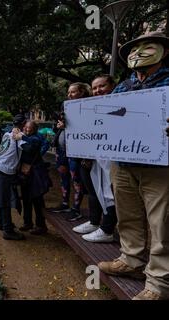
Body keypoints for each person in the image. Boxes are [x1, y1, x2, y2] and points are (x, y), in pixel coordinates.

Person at [98, 31, 169, 300]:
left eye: (146, 46)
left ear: (164, 51)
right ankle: (131, 259)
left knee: (161, 222)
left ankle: (159, 283)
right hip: (123, 162)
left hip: (159, 167)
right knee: (127, 214)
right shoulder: (124, 85)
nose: (138, 52)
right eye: (133, 48)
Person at [73, 75, 118, 243]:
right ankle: (94, 222)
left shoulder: (121, 105)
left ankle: (107, 229)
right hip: (93, 160)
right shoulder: (92, 108)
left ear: (113, 86)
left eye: (102, 86)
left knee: (109, 193)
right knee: (95, 191)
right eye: (95, 88)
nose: (98, 90)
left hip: (113, 159)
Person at [52, 82, 91, 222]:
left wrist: (69, 127)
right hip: (61, 149)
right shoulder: (65, 106)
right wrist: (58, 126)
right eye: (68, 92)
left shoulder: (88, 107)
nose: (69, 95)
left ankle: (76, 208)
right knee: (63, 177)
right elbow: (56, 128)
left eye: (73, 92)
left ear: (82, 92)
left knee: (76, 180)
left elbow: (89, 129)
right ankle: (64, 203)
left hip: (76, 151)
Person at [0, 114, 26, 240]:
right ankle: (8, 230)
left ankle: (2, 223)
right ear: (23, 124)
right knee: (5, 200)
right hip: (6, 171)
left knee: (1, 198)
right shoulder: (20, 138)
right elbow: (31, 146)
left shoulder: (7, 134)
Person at [18, 121, 51, 235]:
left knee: (37, 198)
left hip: (35, 172)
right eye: (26, 127)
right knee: (26, 198)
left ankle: (41, 225)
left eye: (30, 128)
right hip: (25, 172)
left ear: (35, 129)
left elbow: (31, 148)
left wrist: (21, 140)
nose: (27, 130)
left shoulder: (36, 138)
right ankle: (27, 223)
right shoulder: (24, 136)